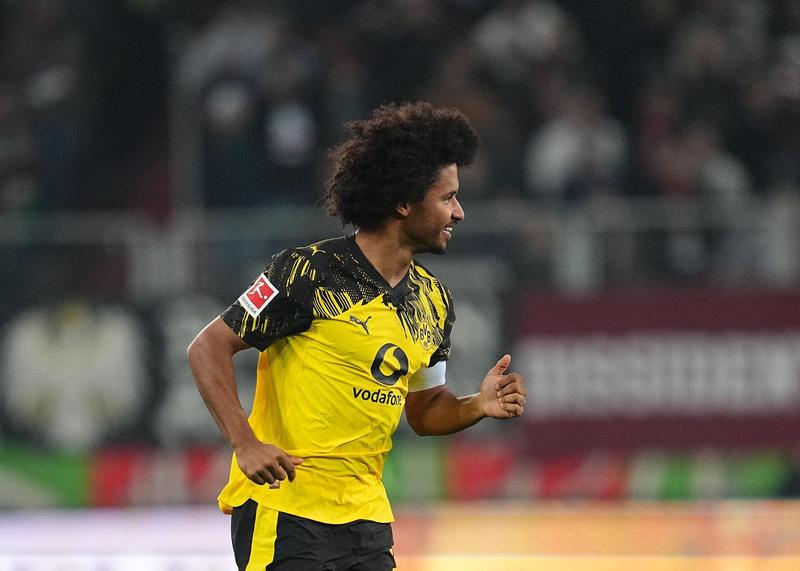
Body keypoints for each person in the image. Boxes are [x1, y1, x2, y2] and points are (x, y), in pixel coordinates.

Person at [187, 101, 527, 571]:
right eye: (447, 198)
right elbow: (207, 347)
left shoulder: (432, 301)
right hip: (286, 511)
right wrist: (245, 442)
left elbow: (425, 411)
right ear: (404, 202)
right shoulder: (308, 273)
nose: (460, 213)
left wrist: (477, 404)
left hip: (366, 520)